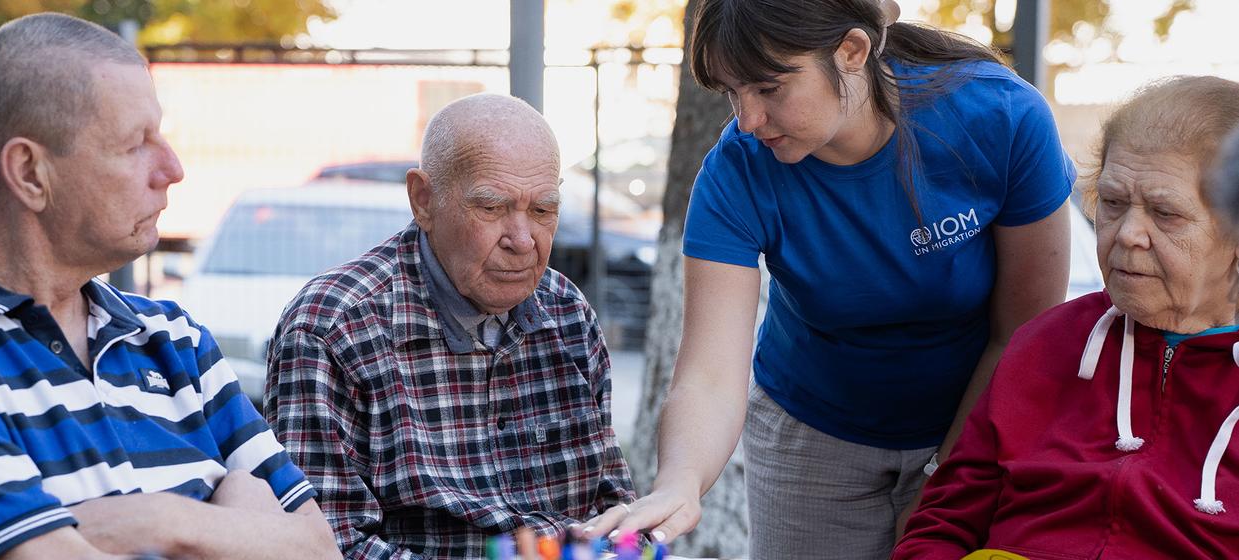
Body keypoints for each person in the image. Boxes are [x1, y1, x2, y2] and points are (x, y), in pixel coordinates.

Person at [0, 13, 338, 560]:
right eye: (135, 143)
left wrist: (158, 522)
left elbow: (318, 549)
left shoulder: (175, 341)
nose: (173, 168)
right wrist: (229, 521)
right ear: (29, 173)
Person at [584, 0, 1076, 556]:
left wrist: (946, 474)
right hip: (812, 434)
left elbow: (1022, 334)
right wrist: (680, 482)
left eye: (768, 88)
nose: (747, 119)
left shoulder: (998, 114)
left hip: (974, 421)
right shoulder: (737, 167)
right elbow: (709, 374)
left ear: (852, 50)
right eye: (731, 93)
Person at [265, 93, 635, 559]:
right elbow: (324, 546)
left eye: (543, 211)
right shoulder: (333, 328)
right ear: (423, 200)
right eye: (492, 208)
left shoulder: (566, 312)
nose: (523, 241)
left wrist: (622, 543)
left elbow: (614, 503)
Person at [895, 75, 1239, 558]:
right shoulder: (1048, 343)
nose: (1126, 235)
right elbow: (945, 519)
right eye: (1114, 204)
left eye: (1166, 213)